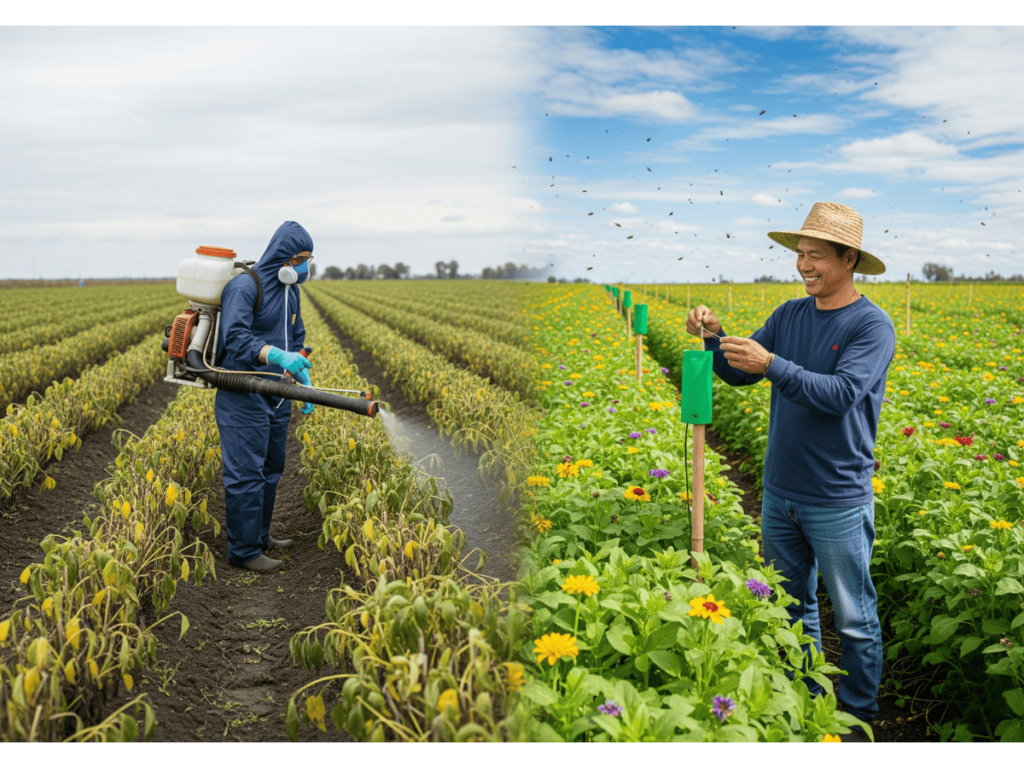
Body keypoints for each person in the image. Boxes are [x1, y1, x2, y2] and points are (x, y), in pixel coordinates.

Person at [686, 202, 894, 743]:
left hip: (838, 496)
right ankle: (808, 702)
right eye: (800, 254)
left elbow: (843, 395)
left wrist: (773, 364)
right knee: (790, 604)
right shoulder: (789, 314)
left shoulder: (871, 325)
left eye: (816, 256)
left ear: (850, 258)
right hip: (781, 491)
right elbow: (739, 372)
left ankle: (859, 717)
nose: (803, 265)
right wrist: (714, 336)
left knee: (853, 616)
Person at [215, 221, 315, 572]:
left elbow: (296, 336)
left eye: (309, 259)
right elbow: (236, 339)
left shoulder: (291, 291)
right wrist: (275, 355)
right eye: (301, 259)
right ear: (284, 257)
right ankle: (243, 552)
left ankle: (260, 535)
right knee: (246, 473)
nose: (305, 267)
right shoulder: (244, 286)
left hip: (277, 393)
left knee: (272, 468)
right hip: (243, 393)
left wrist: (299, 365)